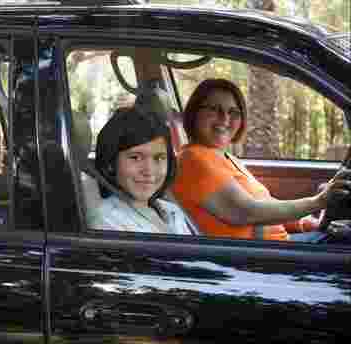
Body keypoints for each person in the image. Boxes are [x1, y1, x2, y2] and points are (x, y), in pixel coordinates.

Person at [172, 78, 351, 242]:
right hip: (255, 258)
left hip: (274, 247)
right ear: (194, 112)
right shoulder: (193, 159)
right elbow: (246, 212)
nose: (225, 118)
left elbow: (266, 204)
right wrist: (318, 201)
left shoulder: (225, 157)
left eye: (234, 112)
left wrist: (303, 223)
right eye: (214, 109)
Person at [87, 107, 196, 235]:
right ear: (111, 163)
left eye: (159, 158)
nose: (149, 170)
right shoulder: (106, 221)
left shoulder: (171, 210)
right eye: (135, 158)